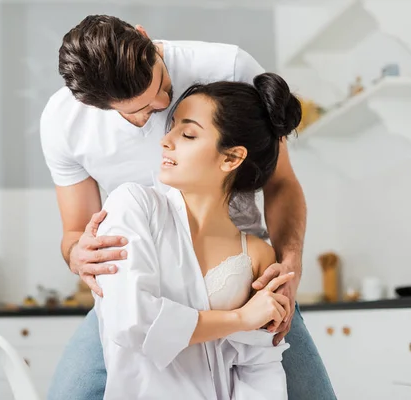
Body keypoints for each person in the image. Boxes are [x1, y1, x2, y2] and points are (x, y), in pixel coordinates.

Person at [39, 15, 335, 400]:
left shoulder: (229, 67)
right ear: (93, 104)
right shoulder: (65, 122)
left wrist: (289, 268)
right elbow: (75, 234)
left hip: (243, 280)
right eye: (141, 111)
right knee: (72, 392)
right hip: (140, 285)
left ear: (145, 38)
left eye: (161, 85)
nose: (161, 106)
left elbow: (281, 182)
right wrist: (78, 254)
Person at [95, 72, 298, 400]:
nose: (166, 140)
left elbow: (261, 369)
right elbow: (131, 321)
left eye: (188, 134)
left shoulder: (258, 254)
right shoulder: (132, 205)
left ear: (231, 158)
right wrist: (240, 318)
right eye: (172, 125)